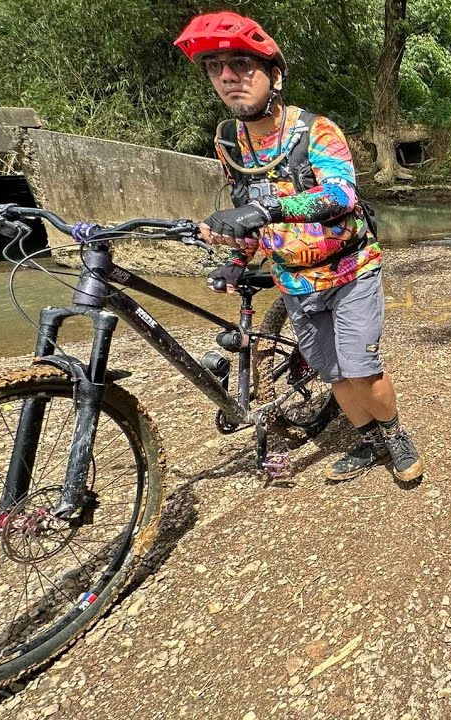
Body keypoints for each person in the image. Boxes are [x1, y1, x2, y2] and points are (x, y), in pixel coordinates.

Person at [175, 11, 423, 483]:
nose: (228, 76)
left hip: (350, 270)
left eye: (242, 64)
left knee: (361, 369)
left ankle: (394, 435)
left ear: (275, 75)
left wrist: (266, 210)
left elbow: (340, 195)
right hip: (293, 280)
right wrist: (236, 259)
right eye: (215, 68)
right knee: (332, 372)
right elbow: (244, 205)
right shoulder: (228, 140)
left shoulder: (316, 131)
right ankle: (369, 442)